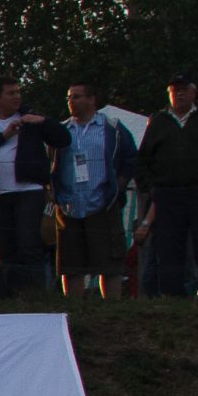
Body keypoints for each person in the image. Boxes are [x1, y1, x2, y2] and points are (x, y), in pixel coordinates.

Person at [0, 78, 67, 298]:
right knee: (6, 246)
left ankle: (34, 294)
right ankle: (11, 296)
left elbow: (62, 138)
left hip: (29, 189)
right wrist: (5, 135)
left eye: (18, 92)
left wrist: (43, 121)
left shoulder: (30, 117)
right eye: (10, 93)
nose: (16, 97)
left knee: (29, 243)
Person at [137, 74, 198, 298]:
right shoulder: (159, 121)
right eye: (174, 90)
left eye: (184, 89)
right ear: (169, 94)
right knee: (169, 250)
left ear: (194, 92)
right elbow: (143, 159)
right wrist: (151, 188)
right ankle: (173, 299)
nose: (179, 94)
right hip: (167, 195)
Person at [55, 84, 137, 298]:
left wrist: (117, 185)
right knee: (71, 267)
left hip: (102, 203)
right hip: (70, 206)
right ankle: (74, 311)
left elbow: (131, 159)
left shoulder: (112, 128)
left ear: (92, 100)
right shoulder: (62, 130)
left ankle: (112, 311)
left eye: (77, 96)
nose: (71, 101)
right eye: (69, 97)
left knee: (109, 265)